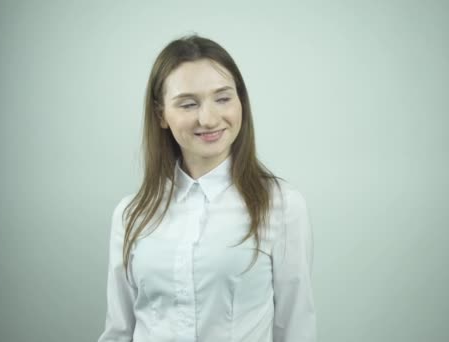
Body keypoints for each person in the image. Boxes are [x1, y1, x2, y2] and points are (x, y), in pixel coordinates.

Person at [96, 34, 316, 342]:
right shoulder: (131, 214)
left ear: (241, 102)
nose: (209, 119)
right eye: (188, 104)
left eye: (223, 98)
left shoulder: (281, 205)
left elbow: (295, 329)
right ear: (161, 115)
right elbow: (119, 331)